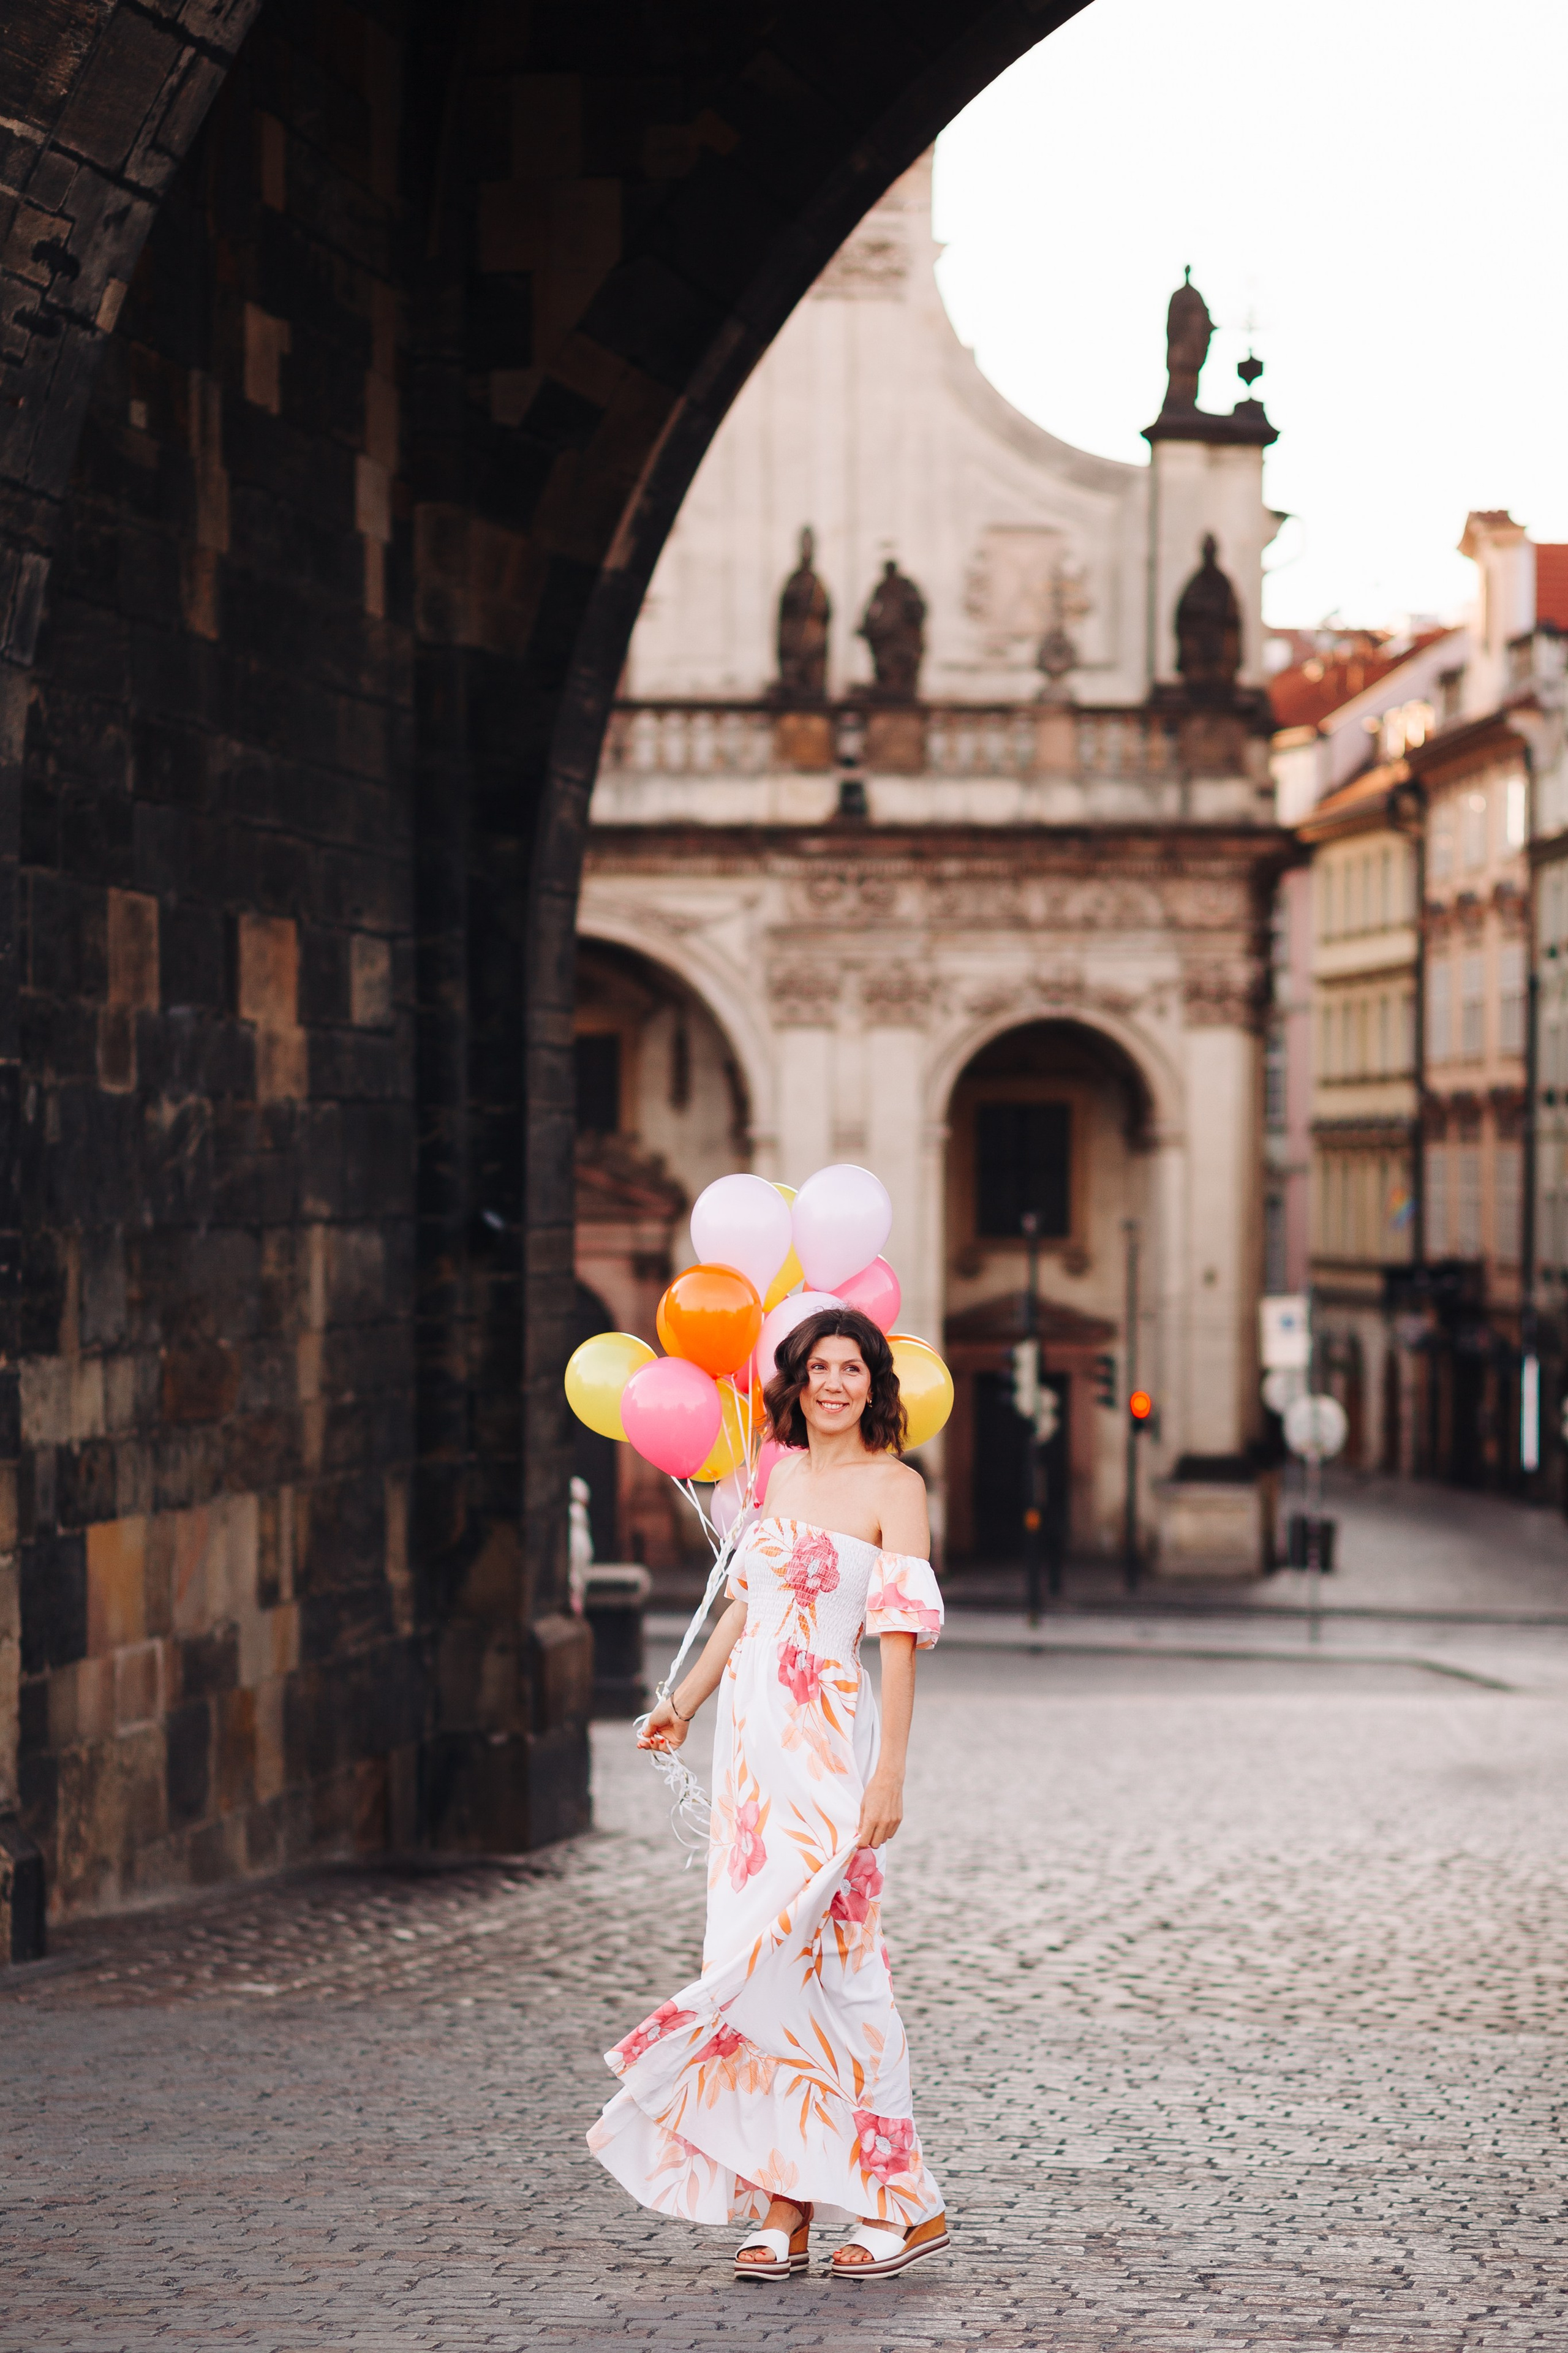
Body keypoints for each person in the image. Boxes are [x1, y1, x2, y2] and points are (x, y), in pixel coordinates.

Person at [587, 1305, 948, 2281]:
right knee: (759, 1970)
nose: (835, 1383)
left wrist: (891, 1771)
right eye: (819, 1367)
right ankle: (782, 2202)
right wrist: (684, 1703)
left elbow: (902, 1637)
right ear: (796, 1381)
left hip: (830, 1747)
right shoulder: (778, 1475)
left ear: (875, 1385)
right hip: (751, 1766)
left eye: (853, 1368)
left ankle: (901, 2202)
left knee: (842, 1968)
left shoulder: (896, 1488)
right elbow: (745, 1605)